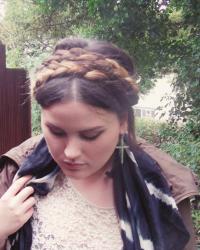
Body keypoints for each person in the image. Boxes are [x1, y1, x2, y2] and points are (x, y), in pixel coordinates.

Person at [0, 37, 198, 250]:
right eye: (56, 131)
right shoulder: (16, 172)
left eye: (90, 135)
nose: (71, 152)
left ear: (122, 121)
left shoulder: (165, 186)